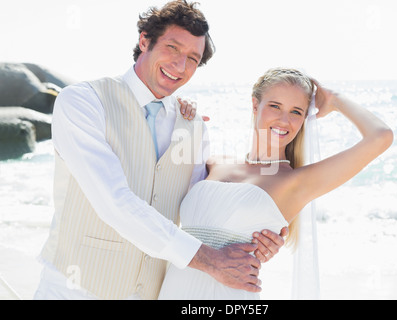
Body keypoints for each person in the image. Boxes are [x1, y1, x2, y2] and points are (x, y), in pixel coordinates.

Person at [34, 0, 286, 300]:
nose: (180, 66)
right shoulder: (83, 102)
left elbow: (199, 212)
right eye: (173, 48)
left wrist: (255, 238)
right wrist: (211, 261)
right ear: (144, 41)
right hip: (71, 289)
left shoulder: (193, 126)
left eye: (192, 58)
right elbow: (112, 201)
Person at [158, 67, 394, 299]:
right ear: (254, 105)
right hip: (172, 289)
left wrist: (335, 100)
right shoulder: (214, 163)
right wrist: (179, 110)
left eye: (296, 112)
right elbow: (157, 180)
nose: (284, 120)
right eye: (275, 106)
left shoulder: (295, 183)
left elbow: (381, 136)